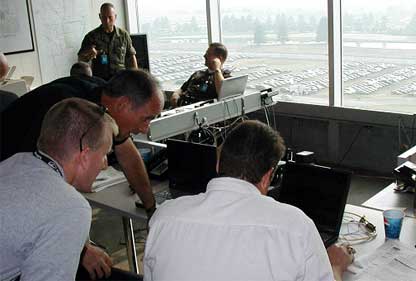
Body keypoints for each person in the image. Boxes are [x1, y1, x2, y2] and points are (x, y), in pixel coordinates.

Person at [1, 69, 163, 279]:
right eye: (146, 118)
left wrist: (152, 211)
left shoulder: (101, 103)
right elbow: (44, 202)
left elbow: (126, 151)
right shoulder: (64, 114)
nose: (145, 128)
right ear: (123, 105)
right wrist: (81, 247)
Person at [143, 120, 353, 281]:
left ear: (218, 164)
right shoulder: (296, 227)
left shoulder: (164, 218)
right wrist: (335, 266)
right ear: (268, 176)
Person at [0, 98, 117, 281]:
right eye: (104, 154)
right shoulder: (71, 208)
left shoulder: (15, 162)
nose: (104, 165)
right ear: (85, 155)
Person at [78, 3, 137, 80]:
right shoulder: (91, 36)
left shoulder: (124, 35)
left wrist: (135, 77)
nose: (107, 21)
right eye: (104, 17)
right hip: (100, 80)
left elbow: (131, 57)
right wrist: (88, 54)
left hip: (120, 79)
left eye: (110, 17)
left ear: (115, 17)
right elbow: (80, 59)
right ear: (100, 16)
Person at [170, 42, 231, 107]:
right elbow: (182, 89)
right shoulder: (198, 74)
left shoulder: (225, 77)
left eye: (208, 54)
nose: (204, 56)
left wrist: (217, 69)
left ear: (219, 58)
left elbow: (223, 94)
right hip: (179, 108)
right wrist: (175, 94)